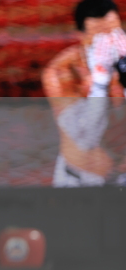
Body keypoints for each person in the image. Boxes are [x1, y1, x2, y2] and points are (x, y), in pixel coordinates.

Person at [42, 0, 126, 187]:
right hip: (81, 179)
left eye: (113, 32)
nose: (108, 43)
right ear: (80, 35)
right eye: (99, 36)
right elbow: (86, 138)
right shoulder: (62, 71)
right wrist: (100, 82)